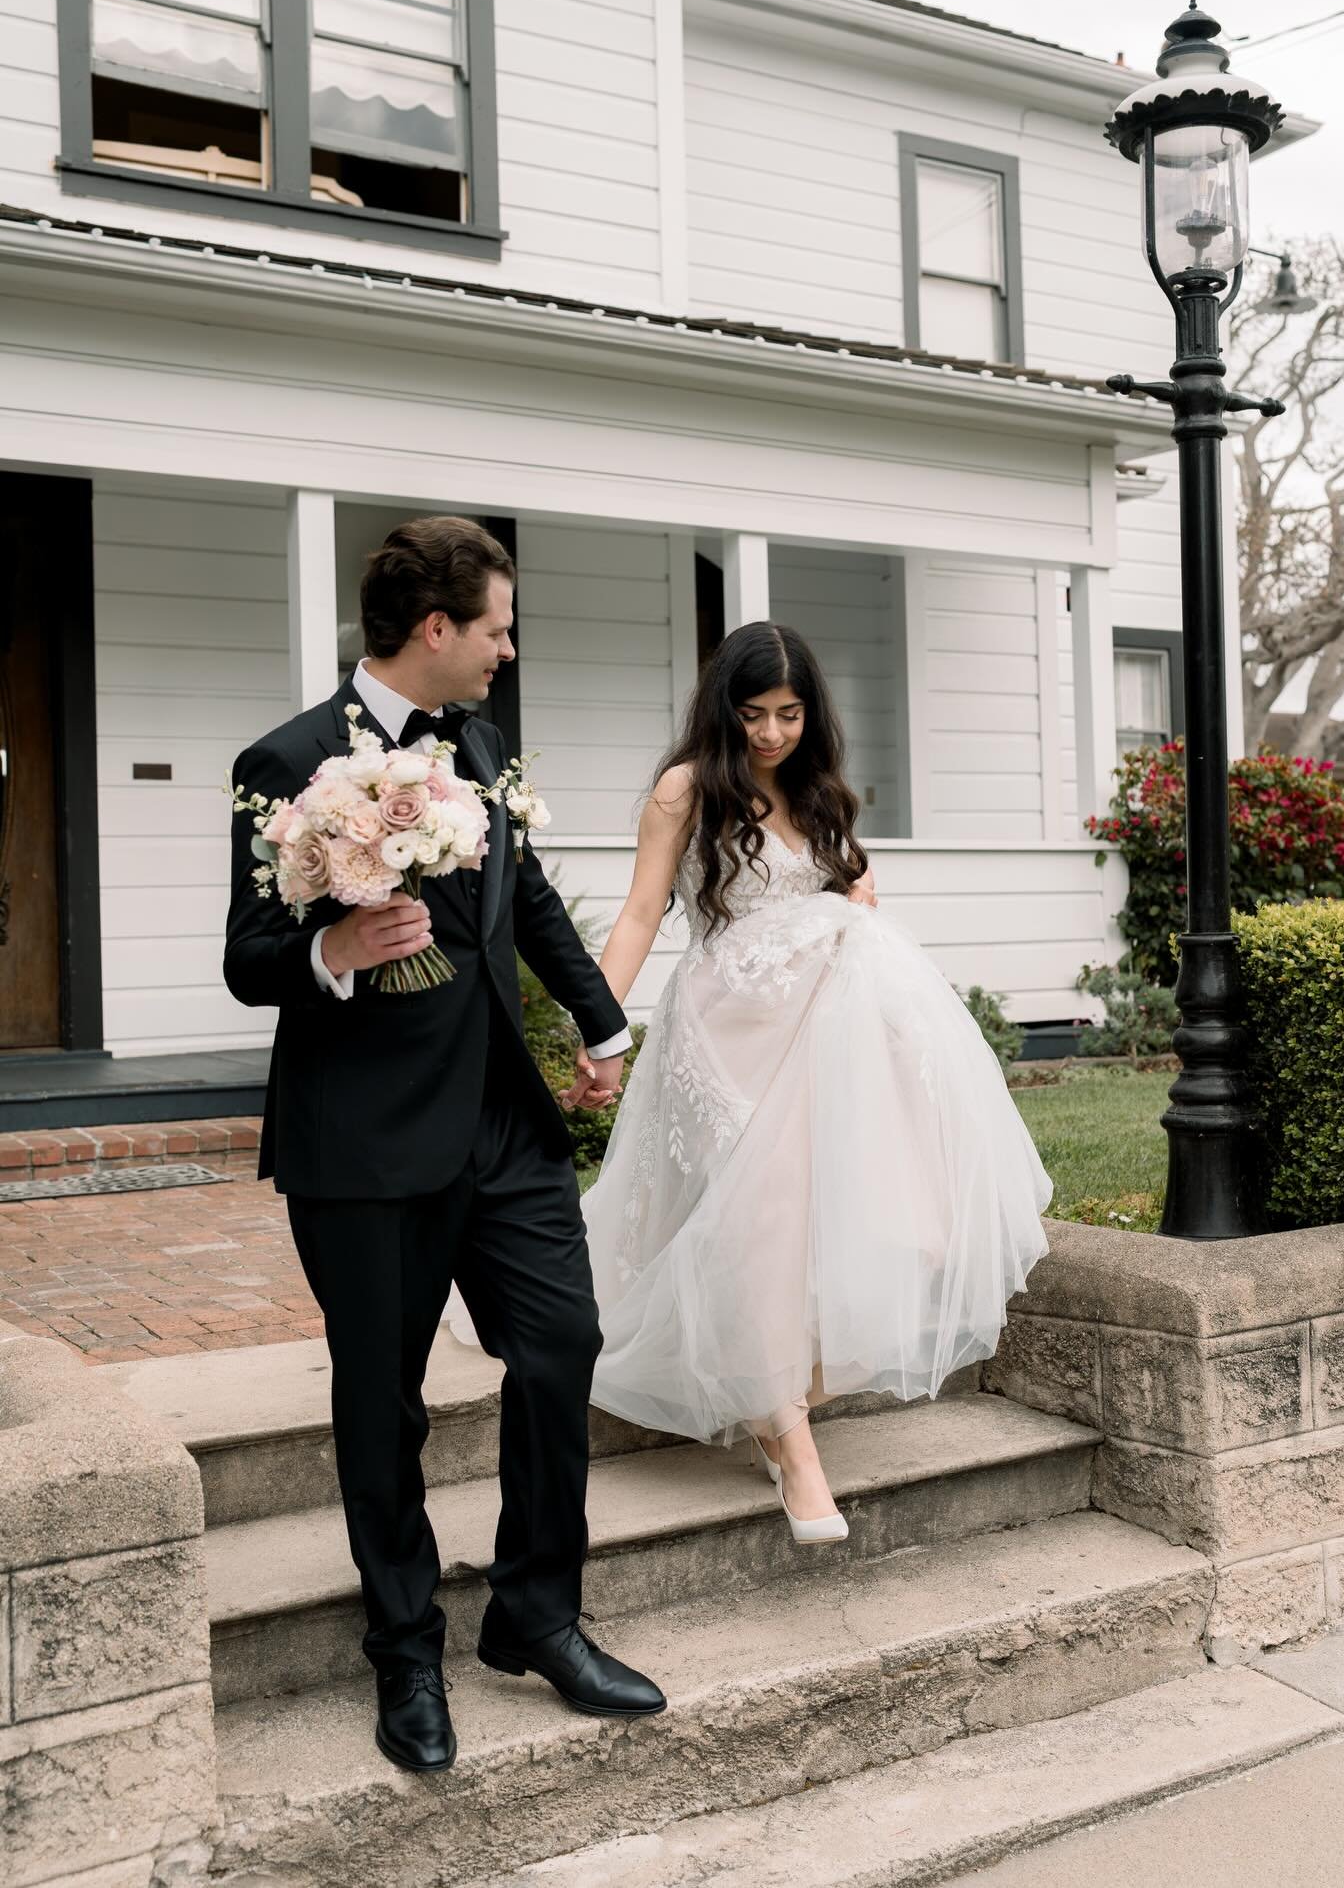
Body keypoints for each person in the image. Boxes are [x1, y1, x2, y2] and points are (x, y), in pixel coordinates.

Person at [449, 621, 1054, 1542]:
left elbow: (851, 895)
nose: (771, 734)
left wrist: (855, 904)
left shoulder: (818, 793)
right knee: (763, 1221)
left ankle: (782, 1394)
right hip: (726, 1032)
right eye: (753, 714)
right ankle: (792, 1440)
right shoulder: (686, 789)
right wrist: (600, 1028)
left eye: (789, 714)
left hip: (824, 1036)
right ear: (722, 709)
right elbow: (643, 912)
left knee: (884, 1220)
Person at [223, 516, 664, 1777]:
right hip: (360, 1148)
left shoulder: (480, 743)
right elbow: (248, 955)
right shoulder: (286, 762)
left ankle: (537, 1611)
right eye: (497, 627)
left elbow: (519, 895)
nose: (507, 649)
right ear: (435, 628)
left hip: (499, 1123)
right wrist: (330, 950)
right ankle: (405, 1647)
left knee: (563, 1342)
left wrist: (601, 1020)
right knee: (383, 1403)